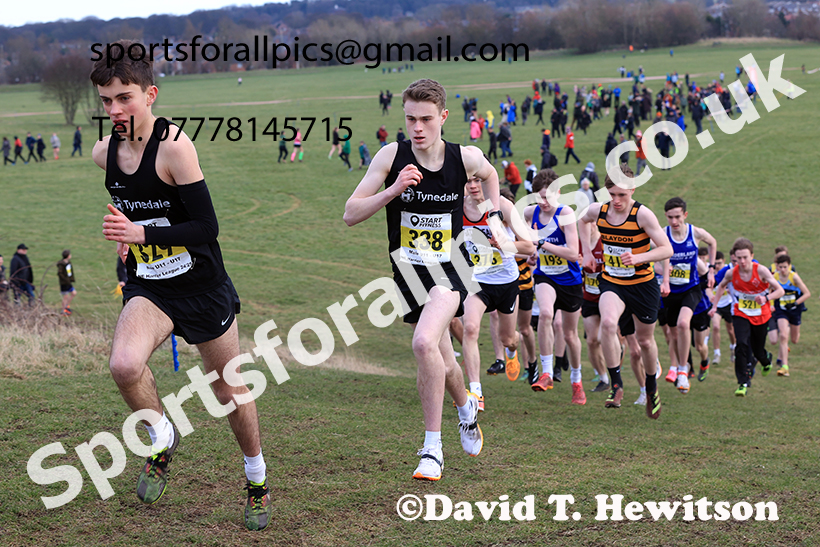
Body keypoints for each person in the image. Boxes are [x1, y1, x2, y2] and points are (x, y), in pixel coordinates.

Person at [89, 39, 271, 530]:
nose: (114, 109)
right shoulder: (103, 152)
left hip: (202, 287)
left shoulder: (174, 147)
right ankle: (162, 436)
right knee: (125, 365)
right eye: (106, 100)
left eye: (124, 97)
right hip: (151, 285)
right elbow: (135, 206)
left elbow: (207, 227)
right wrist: (125, 240)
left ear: (150, 94)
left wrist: (140, 232)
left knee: (229, 390)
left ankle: (256, 479)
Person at [343, 78, 500, 482]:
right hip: (408, 275)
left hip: (451, 270)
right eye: (411, 118)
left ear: (443, 117)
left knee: (423, 342)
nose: (417, 127)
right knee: (444, 360)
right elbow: (350, 212)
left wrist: (493, 216)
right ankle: (466, 411)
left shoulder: (463, 157)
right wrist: (392, 190)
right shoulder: (391, 156)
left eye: (426, 119)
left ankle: (432, 449)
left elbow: (491, 173)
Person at [578, 163, 672, 419]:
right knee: (608, 324)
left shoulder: (643, 215)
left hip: (643, 285)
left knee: (644, 342)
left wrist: (640, 257)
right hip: (613, 281)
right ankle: (616, 384)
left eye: (622, 195)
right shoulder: (599, 210)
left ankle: (651, 388)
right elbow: (582, 220)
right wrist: (586, 252)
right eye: (612, 195)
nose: (617, 200)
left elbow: (667, 250)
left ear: (632, 189)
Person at [461, 176, 534, 409]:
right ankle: (476, 393)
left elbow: (529, 246)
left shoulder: (503, 206)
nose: (473, 186)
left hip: (506, 281)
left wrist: (502, 244)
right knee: (470, 328)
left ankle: (513, 350)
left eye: (477, 181)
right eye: (467, 181)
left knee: (507, 338)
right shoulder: (458, 205)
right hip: (477, 279)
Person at [524, 169, 586, 404]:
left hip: (570, 280)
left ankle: (577, 381)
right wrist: (532, 253)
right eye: (540, 197)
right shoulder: (530, 213)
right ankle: (547, 372)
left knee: (570, 334)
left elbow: (572, 253)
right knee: (546, 314)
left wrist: (542, 244)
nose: (544, 202)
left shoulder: (566, 213)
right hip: (545, 276)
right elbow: (526, 242)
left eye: (548, 197)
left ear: (558, 193)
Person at [709, 238, 783, 397]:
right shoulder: (731, 273)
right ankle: (742, 382)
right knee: (741, 345)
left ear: (752, 256)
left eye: (745, 257)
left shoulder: (761, 270)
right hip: (741, 313)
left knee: (757, 350)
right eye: (738, 258)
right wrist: (714, 306)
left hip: (761, 315)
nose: (741, 262)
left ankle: (765, 360)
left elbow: (780, 290)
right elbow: (721, 286)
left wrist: (766, 299)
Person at [661, 197, 716, 393]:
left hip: (690, 288)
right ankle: (676, 367)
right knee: (673, 334)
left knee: (684, 323)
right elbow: (651, 255)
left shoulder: (695, 233)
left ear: (685, 215)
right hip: (670, 292)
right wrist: (663, 273)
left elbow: (712, 242)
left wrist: (710, 269)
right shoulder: (662, 235)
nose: (674, 222)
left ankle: (683, 370)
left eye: (677, 217)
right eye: (670, 217)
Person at [772, 254, 811, 377]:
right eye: (780, 267)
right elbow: (767, 291)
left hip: (794, 310)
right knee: (783, 335)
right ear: (777, 266)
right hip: (781, 310)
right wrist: (770, 303)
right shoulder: (775, 277)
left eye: (785, 267)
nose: (783, 270)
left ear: (789, 266)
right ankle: (785, 367)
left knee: (794, 340)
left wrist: (795, 303)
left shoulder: (794, 277)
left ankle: (786, 348)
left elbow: (807, 293)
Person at [710, 251, 737, 365]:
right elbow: (707, 286)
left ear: (724, 261)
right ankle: (717, 354)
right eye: (715, 263)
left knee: (730, 330)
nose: (717, 265)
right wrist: (710, 295)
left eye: (719, 263)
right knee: (716, 327)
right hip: (717, 306)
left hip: (728, 304)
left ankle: (733, 348)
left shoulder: (728, 271)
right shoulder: (710, 273)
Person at [56, 249, 77, 315]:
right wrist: (65, 279)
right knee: (66, 296)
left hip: (68, 282)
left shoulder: (68, 263)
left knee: (74, 293)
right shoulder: (62, 264)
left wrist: (71, 279)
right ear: (68, 256)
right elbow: (60, 273)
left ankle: (66, 306)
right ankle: (63, 310)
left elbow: (69, 272)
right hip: (64, 283)